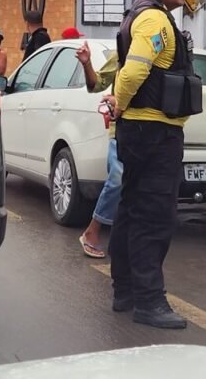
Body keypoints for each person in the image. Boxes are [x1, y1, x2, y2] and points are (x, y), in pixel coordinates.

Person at [109, 0, 200, 330]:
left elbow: (116, 67)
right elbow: (133, 70)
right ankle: (149, 301)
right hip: (154, 131)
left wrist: (119, 106)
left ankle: (125, 291)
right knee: (155, 216)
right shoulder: (154, 19)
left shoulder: (139, 15)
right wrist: (119, 105)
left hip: (143, 130)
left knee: (131, 210)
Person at [75, 41, 121, 259]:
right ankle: (92, 231)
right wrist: (87, 63)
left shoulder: (160, 50)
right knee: (118, 179)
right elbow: (96, 84)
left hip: (149, 130)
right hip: (122, 130)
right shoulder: (122, 53)